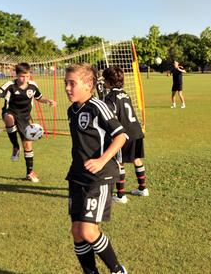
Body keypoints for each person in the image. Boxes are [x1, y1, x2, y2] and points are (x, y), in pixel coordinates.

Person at [64, 63, 128, 274]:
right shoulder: (71, 110)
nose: (67, 88)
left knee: (89, 231)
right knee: (77, 231)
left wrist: (101, 160)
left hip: (98, 177)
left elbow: (121, 136)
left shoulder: (98, 106)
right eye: (66, 83)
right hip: (77, 176)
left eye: (72, 83)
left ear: (89, 85)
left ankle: (118, 270)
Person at [0, 62, 56, 182]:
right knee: (9, 119)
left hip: (25, 118)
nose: (24, 79)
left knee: (27, 145)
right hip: (10, 112)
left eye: (27, 76)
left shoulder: (32, 86)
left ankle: (29, 173)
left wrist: (47, 101)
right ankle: (15, 146)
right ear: (16, 75)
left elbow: (39, 98)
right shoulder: (10, 85)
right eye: (22, 76)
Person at [101, 66, 148, 204]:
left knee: (119, 163)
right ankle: (143, 188)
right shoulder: (125, 94)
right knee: (136, 159)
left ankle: (121, 196)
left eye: (105, 80)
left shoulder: (110, 97)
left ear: (109, 82)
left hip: (125, 134)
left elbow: (110, 117)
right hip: (136, 131)